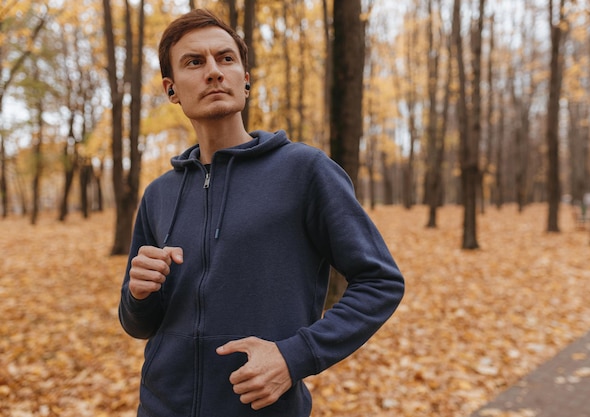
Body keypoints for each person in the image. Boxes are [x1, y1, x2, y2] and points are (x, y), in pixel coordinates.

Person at [118, 8, 404, 417]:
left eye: (226, 58)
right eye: (194, 62)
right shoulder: (160, 194)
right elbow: (138, 324)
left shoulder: (304, 171)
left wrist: (295, 356)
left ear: (246, 80)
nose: (214, 72)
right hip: (161, 407)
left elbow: (380, 281)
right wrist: (138, 293)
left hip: (261, 407)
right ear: (171, 89)